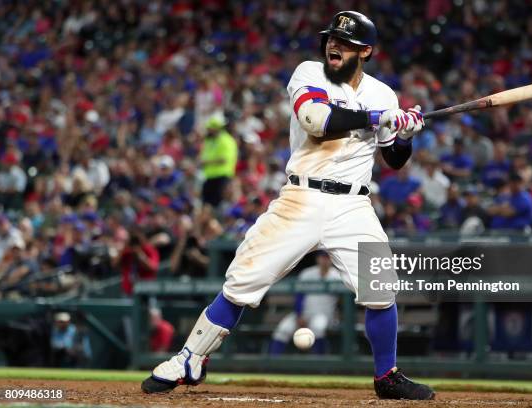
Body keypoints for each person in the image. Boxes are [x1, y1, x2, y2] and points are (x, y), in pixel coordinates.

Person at [141, 11, 434, 401]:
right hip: (303, 196)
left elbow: (394, 160)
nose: (334, 45)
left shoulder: (383, 93)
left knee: (381, 288)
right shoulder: (309, 73)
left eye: (345, 42)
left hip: (354, 204)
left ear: (366, 51)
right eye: (332, 38)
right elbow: (316, 120)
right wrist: (380, 117)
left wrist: (404, 135)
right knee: (243, 280)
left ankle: (387, 376)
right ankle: (191, 359)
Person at [269, 252, 340, 355]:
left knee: (318, 328)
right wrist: (299, 315)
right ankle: (273, 364)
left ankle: (319, 366)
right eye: (322, 257)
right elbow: (299, 296)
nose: (325, 260)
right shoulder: (307, 273)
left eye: (327, 257)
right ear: (317, 259)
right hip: (303, 313)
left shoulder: (337, 276)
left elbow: (343, 301)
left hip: (324, 314)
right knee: (283, 330)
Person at [200, 115, 238, 207]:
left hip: (222, 176)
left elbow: (224, 160)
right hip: (210, 176)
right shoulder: (209, 140)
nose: (208, 130)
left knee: (219, 204)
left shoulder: (227, 141)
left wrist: (207, 162)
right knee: (206, 204)